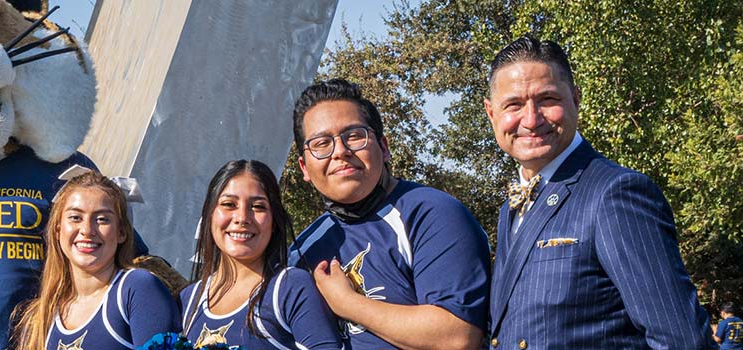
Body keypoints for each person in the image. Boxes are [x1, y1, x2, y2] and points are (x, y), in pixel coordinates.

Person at [483, 34, 713, 349]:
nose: (532, 119)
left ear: (576, 99)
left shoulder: (615, 193)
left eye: (548, 99)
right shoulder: (511, 207)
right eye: (514, 105)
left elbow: (682, 340)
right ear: (492, 113)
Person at [286, 79, 491, 349]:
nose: (341, 152)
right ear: (304, 167)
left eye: (354, 136)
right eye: (321, 143)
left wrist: (348, 303)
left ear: (383, 147)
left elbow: (457, 336)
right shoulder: (301, 249)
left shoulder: (432, 214)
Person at [182, 160, 342, 350]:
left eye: (258, 207)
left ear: (274, 221)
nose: (242, 218)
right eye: (229, 204)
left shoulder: (290, 287)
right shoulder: (188, 299)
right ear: (210, 216)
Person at [13, 173, 179, 350]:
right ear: (57, 230)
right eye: (75, 217)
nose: (87, 230)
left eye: (102, 219)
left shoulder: (137, 288)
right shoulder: (40, 317)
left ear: (122, 232)